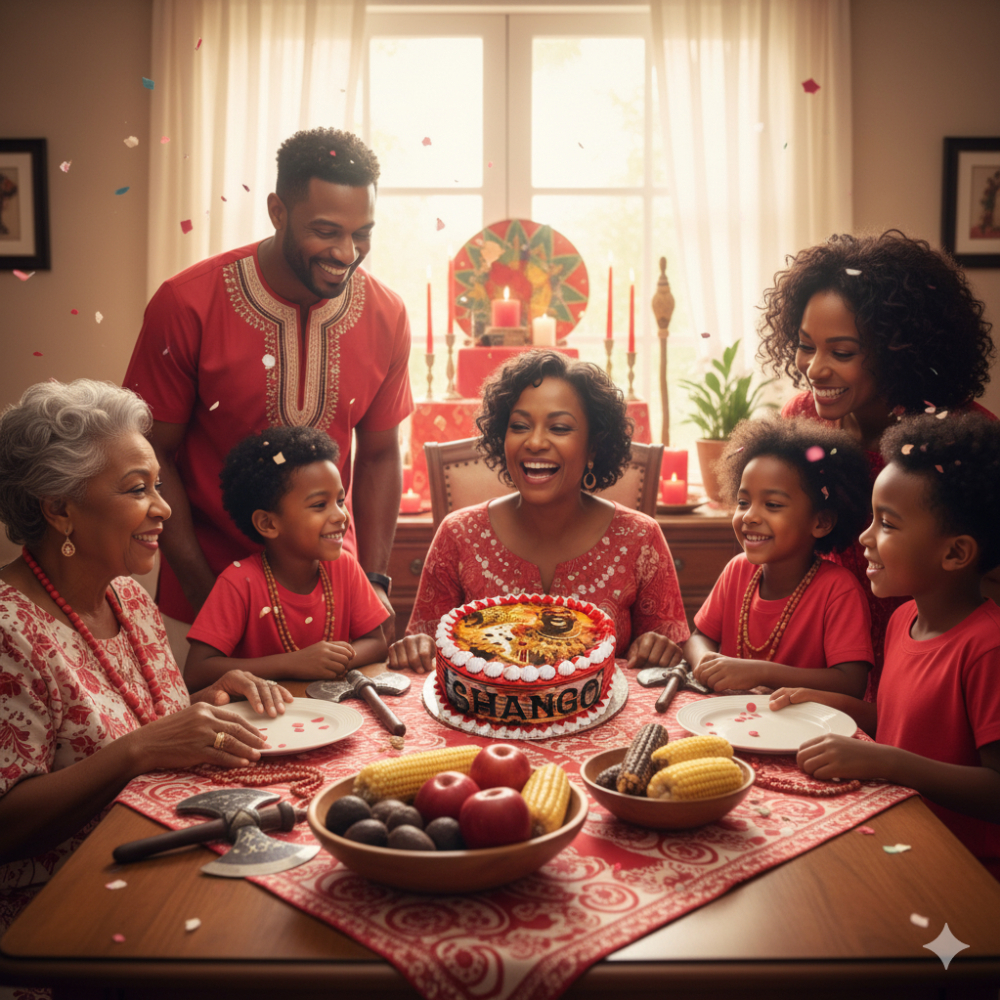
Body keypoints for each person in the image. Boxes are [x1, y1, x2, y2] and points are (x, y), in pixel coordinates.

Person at [0, 380, 293, 937]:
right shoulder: (9, 629)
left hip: (161, 862)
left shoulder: (128, 596)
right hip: (60, 919)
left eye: (159, 486)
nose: (163, 509)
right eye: (137, 490)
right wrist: (140, 750)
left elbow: (145, 722)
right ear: (60, 510)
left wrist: (207, 702)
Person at [123, 127, 412, 655]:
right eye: (326, 231)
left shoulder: (387, 314)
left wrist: (373, 580)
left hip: (333, 601)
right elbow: (150, 457)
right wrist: (203, 591)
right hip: (203, 604)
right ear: (278, 211)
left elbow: (377, 456)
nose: (347, 253)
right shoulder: (187, 304)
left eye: (362, 233)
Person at [757, 229, 996, 691]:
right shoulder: (802, 423)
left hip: (928, 676)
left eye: (841, 352)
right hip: (820, 671)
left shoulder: (962, 441)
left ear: (898, 352)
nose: (814, 369)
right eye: (807, 345)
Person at [770, 413, 1000, 879]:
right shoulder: (901, 621)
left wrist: (888, 762)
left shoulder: (987, 648)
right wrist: (820, 700)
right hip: (901, 839)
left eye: (887, 525)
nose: (864, 538)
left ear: (955, 553)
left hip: (965, 871)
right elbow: (898, 722)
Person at [387, 350, 689, 673]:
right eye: (519, 426)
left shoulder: (641, 539)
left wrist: (660, 649)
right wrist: (417, 648)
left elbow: (674, 662)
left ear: (593, 447)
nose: (534, 442)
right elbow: (424, 653)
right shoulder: (457, 535)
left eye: (559, 428)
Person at [184, 427, 388, 689]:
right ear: (268, 523)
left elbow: (377, 643)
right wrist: (293, 663)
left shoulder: (345, 566)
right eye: (319, 505)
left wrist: (328, 662)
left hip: (333, 715)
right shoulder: (239, 582)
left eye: (340, 500)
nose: (340, 516)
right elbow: (196, 671)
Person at [684, 417, 873, 696]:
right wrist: (706, 663)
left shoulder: (838, 590)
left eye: (772, 505)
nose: (749, 516)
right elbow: (699, 638)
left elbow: (851, 683)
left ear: (821, 522)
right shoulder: (737, 571)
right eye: (743, 502)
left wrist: (760, 672)